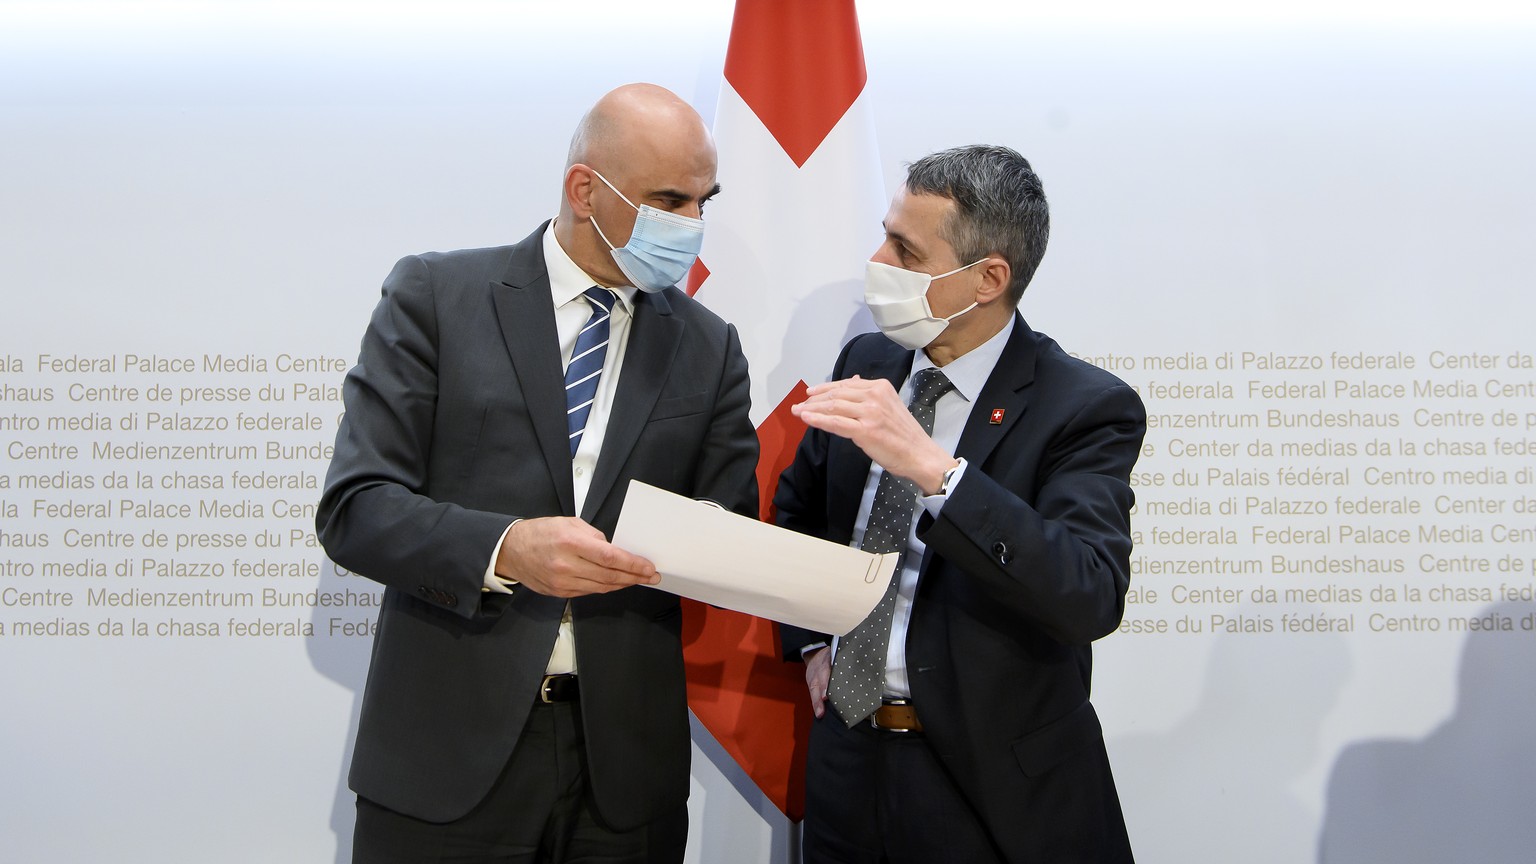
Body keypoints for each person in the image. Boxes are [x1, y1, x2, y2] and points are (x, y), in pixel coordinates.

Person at [316, 83, 758, 864]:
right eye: (668, 200)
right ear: (584, 189)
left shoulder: (708, 345)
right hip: (447, 761)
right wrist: (506, 548)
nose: (691, 226)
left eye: (702, 201)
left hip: (623, 777)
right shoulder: (435, 297)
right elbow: (358, 508)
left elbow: (727, 526)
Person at [775, 145, 1145, 863]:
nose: (876, 260)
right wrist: (815, 642)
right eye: (886, 233)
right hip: (847, 758)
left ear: (988, 279)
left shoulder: (1084, 407)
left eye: (904, 250)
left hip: (984, 783)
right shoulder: (868, 364)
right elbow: (804, 510)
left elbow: (1088, 593)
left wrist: (935, 472)